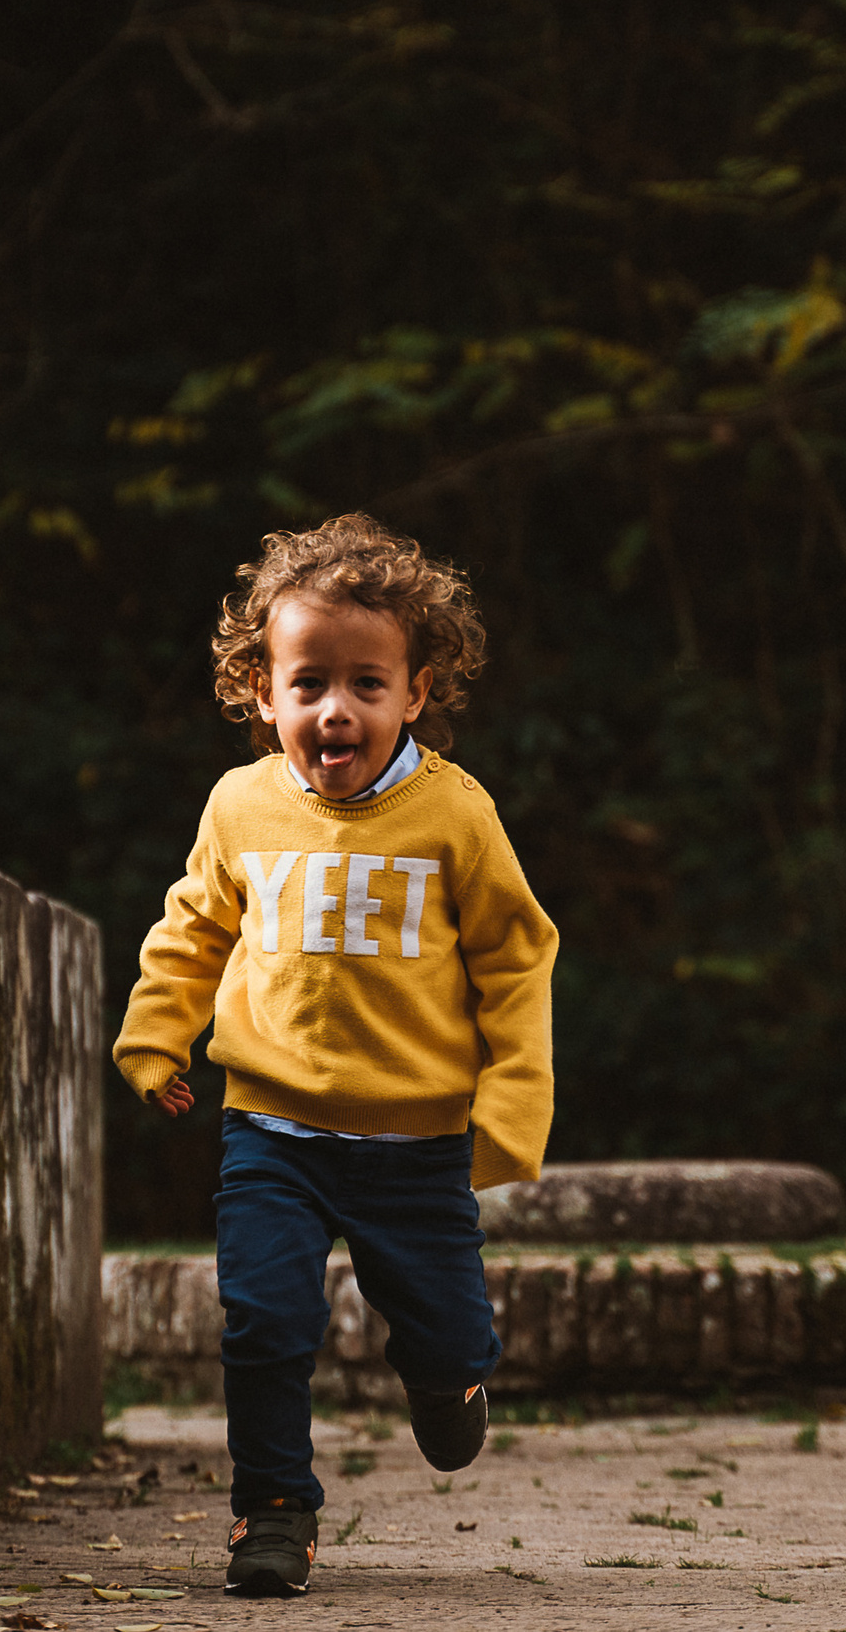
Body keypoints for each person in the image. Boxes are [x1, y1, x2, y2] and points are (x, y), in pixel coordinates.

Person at [113, 512, 559, 1599]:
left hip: (416, 1145)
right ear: (261, 693)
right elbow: (193, 931)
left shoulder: (455, 815)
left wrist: (512, 1101)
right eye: (308, 681)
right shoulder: (241, 807)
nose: (335, 709)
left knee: (450, 1335)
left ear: (416, 693)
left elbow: (514, 958)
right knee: (265, 1320)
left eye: (367, 682)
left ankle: (444, 1379)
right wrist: (157, 1032)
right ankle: (272, 1512)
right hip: (272, 1130)